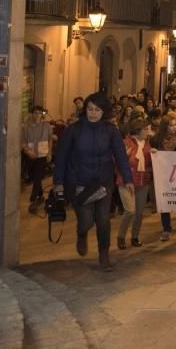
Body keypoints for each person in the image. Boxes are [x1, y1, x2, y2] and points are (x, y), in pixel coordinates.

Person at [53, 93, 133, 271]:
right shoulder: (73, 130)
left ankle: (104, 255)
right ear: (85, 110)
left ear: (103, 112)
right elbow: (62, 157)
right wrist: (58, 181)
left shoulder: (111, 130)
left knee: (103, 220)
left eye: (97, 110)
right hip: (78, 182)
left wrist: (128, 179)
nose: (93, 113)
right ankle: (81, 233)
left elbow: (120, 155)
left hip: (103, 182)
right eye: (90, 109)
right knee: (87, 220)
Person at [117, 119, 154, 249]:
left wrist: (153, 155)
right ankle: (121, 237)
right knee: (130, 210)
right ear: (138, 130)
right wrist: (124, 157)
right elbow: (114, 162)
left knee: (139, 212)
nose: (148, 132)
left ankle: (135, 236)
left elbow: (148, 163)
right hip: (127, 182)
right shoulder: (125, 143)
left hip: (143, 181)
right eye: (146, 129)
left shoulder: (147, 144)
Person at [151, 115, 176, 241]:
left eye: (174, 125)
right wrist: (154, 152)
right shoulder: (156, 139)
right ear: (164, 127)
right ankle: (166, 229)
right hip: (162, 174)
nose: (173, 128)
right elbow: (150, 150)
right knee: (164, 201)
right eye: (170, 125)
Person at [22, 105, 52, 215]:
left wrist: (49, 153)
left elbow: (50, 139)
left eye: (40, 113)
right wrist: (28, 151)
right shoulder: (26, 127)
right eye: (35, 113)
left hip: (42, 155)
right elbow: (23, 142)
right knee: (34, 176)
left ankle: (33, 197)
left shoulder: (46, 125)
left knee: (38, 176)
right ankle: (40, 195)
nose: (37, 115)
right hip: (30, 155)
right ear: (32, 114)